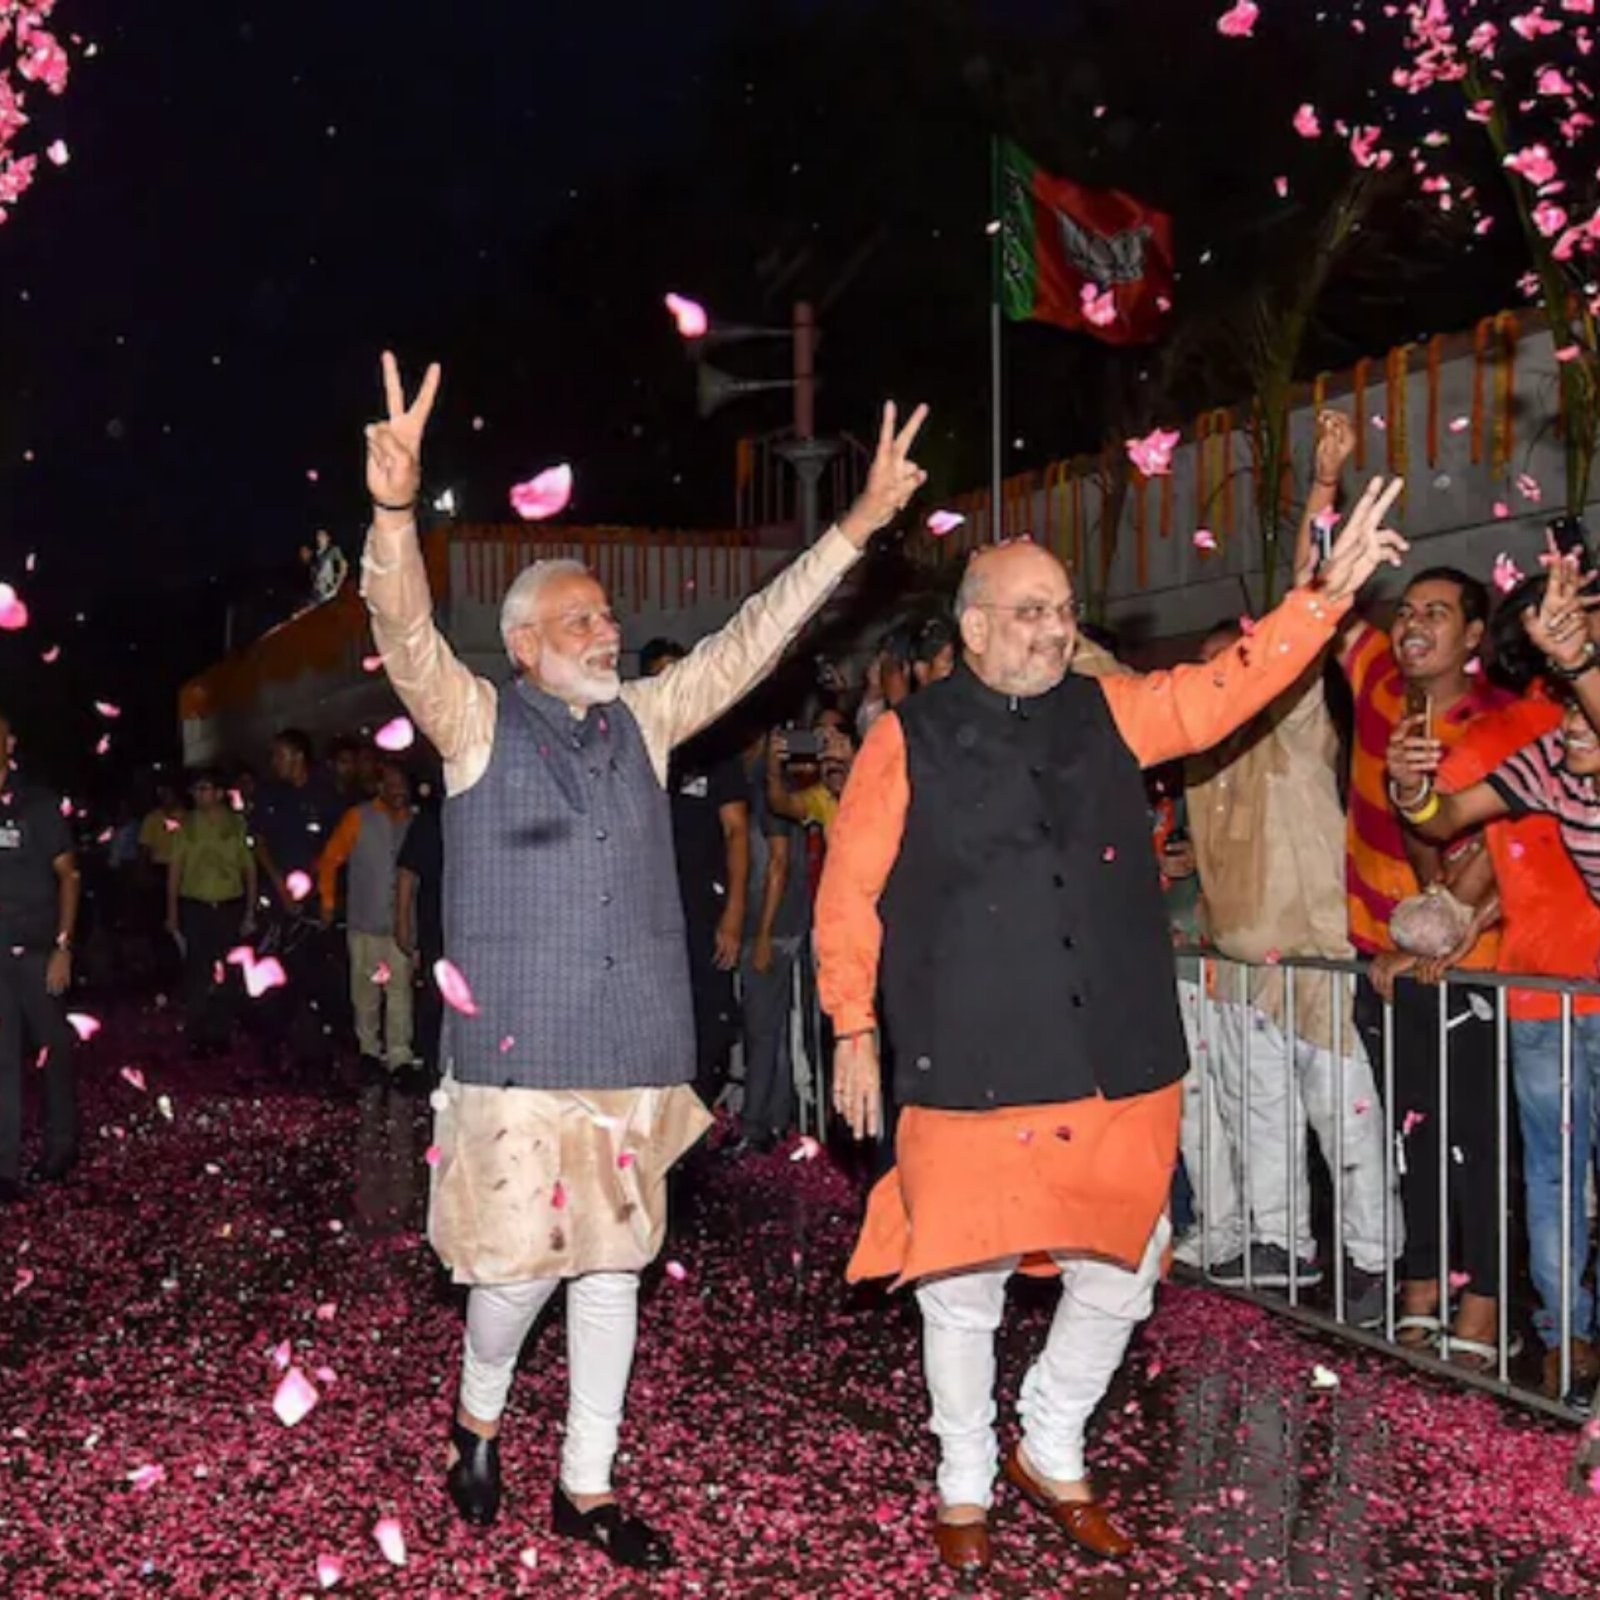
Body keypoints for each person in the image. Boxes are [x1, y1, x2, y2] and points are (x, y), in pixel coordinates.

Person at [360, 350, 927, 1568]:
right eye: (580, 618)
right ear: (523, 644)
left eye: (607, 615)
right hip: (515, 1059)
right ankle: (475, 1419)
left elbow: (755, 637)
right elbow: (403, 631)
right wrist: (394, 511)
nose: (606, 628)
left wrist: (858, 526)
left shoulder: (648, 720)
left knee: (614, 1270)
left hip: (631, 1052)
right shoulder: (472, 723)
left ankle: (588, 1484)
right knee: (513, 1278)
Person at [816, 477, 1406, 1576]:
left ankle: (1050, 1439)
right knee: (960, 1287)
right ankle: (963, 1478)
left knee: (1123, 1271)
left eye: (1063, 609)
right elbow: (847, 891)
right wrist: (852, 1024)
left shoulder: (1110, 710)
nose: (1055, 630)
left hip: (1113, 1052)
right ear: (974, 628)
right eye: (1030, 611)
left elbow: (1226, 689)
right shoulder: (907, 738)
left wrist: (1324, 597)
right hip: (970, 1048)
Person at [1299, 412, 1516, 1368]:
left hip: (1477, 970)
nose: (1413, 623)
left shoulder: (1506, 720)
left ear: (1474, 636)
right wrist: (1323, 485)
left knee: (1478, 1140)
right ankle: (1423, 1285)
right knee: (1411, 1134)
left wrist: (1435, 940)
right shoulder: (1378, 683)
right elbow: (1319, 596)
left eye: (1436, 612)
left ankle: (1488, 1303)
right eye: (1407, 610)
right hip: (1379, 963)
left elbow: (1505, 857)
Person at [1393, 544, 1600, 1395]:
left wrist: (1576, 657)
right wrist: (1407, 788)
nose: (1571, 728)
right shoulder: (1543, 757)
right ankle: (1566, 1339)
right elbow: (1445, 821)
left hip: (1561, 989)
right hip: (1548, 996)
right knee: (1552, 1178)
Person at [1183, 621, 1395, 1326]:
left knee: (1346, 1119)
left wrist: (1302, 615)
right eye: (1206, 669)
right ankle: (1280, 1243)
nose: (1216, 679)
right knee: (1261, 1116)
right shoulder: (1201, 754)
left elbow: (1295, 679)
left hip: (1318, 963)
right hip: (1243, 971)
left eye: (1229, 664)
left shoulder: (1293, 731)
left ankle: (1373, 1259)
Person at [640, 638, 749, 1107]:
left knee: (710, 1020)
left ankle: (703, 1119)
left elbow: (737, 832)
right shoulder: (635, 746)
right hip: (647, 914)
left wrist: (734, 914)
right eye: (662, 676)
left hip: (704, 907)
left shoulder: (715, 749)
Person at [0, 707, 81, 1202]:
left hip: (37, 948)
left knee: (53, 1050)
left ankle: (61, 1148)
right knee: (2, 1057)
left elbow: (69, 875)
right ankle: (4, 1166)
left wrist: (62, 947)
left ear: (10, 744)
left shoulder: (38, 804)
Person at [731, 727, 811, 1154]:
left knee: (761, 1030)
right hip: (775, 926)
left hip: (771, 928)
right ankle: (775, 1121)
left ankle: (753, 1126)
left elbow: (778, 862)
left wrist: (762, 934)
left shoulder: (768, 788)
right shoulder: (765, 784)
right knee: (771, 1030)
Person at [252, 729, 346, 1078]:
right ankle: (273, 1051)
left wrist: (316, 889)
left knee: (314, 976)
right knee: (275, 976)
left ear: (298, 756)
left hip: (313, 903)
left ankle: (315, 1055)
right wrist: (280, 885)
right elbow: (259, 842)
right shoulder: (270, 794)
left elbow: (335, 848)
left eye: (280, 754)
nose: (274, 762)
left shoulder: (325, 795)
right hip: (278, 902)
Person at [316, 760, 415, 1080]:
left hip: (403, 925)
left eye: (403, 784)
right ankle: (369, 1051)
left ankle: (399, 1055)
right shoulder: (358, 817)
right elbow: (330, 859)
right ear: (380, 787)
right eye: (393, 784)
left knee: (400, 992)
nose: (399, 790)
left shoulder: (415, 821)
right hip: (364, 922)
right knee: (365, 992)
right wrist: (328, 902)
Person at [164, 770, 257, 1059]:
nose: (198, 795)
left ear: (218, 793)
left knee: (228, 969)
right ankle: (197, 1032)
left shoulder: (236, 824)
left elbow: (249, 867)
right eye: (196, 790)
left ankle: (221, 1032)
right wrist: (172, 913)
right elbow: (175, 870)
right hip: (196, 905)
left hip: (229, 904)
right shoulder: (187, 826)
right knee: (197, 969)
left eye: (204, 789)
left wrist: (250, 909)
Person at [396, 783, 444, 1079]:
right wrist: (402, 923)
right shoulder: (431, 818)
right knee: (433, 997)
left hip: (476, 927)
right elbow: (407, 872)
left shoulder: (483, 811)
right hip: (436, 925)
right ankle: (432, 1065)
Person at [308, 528, 350, 604]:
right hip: (318, 593)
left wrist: (336, 587)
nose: (320, 538)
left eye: (322, 535)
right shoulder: (315, 555)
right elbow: (313, 574)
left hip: (330, 590)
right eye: (318, 536)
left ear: (328, 538)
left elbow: (344, 567)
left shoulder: (334, 550)